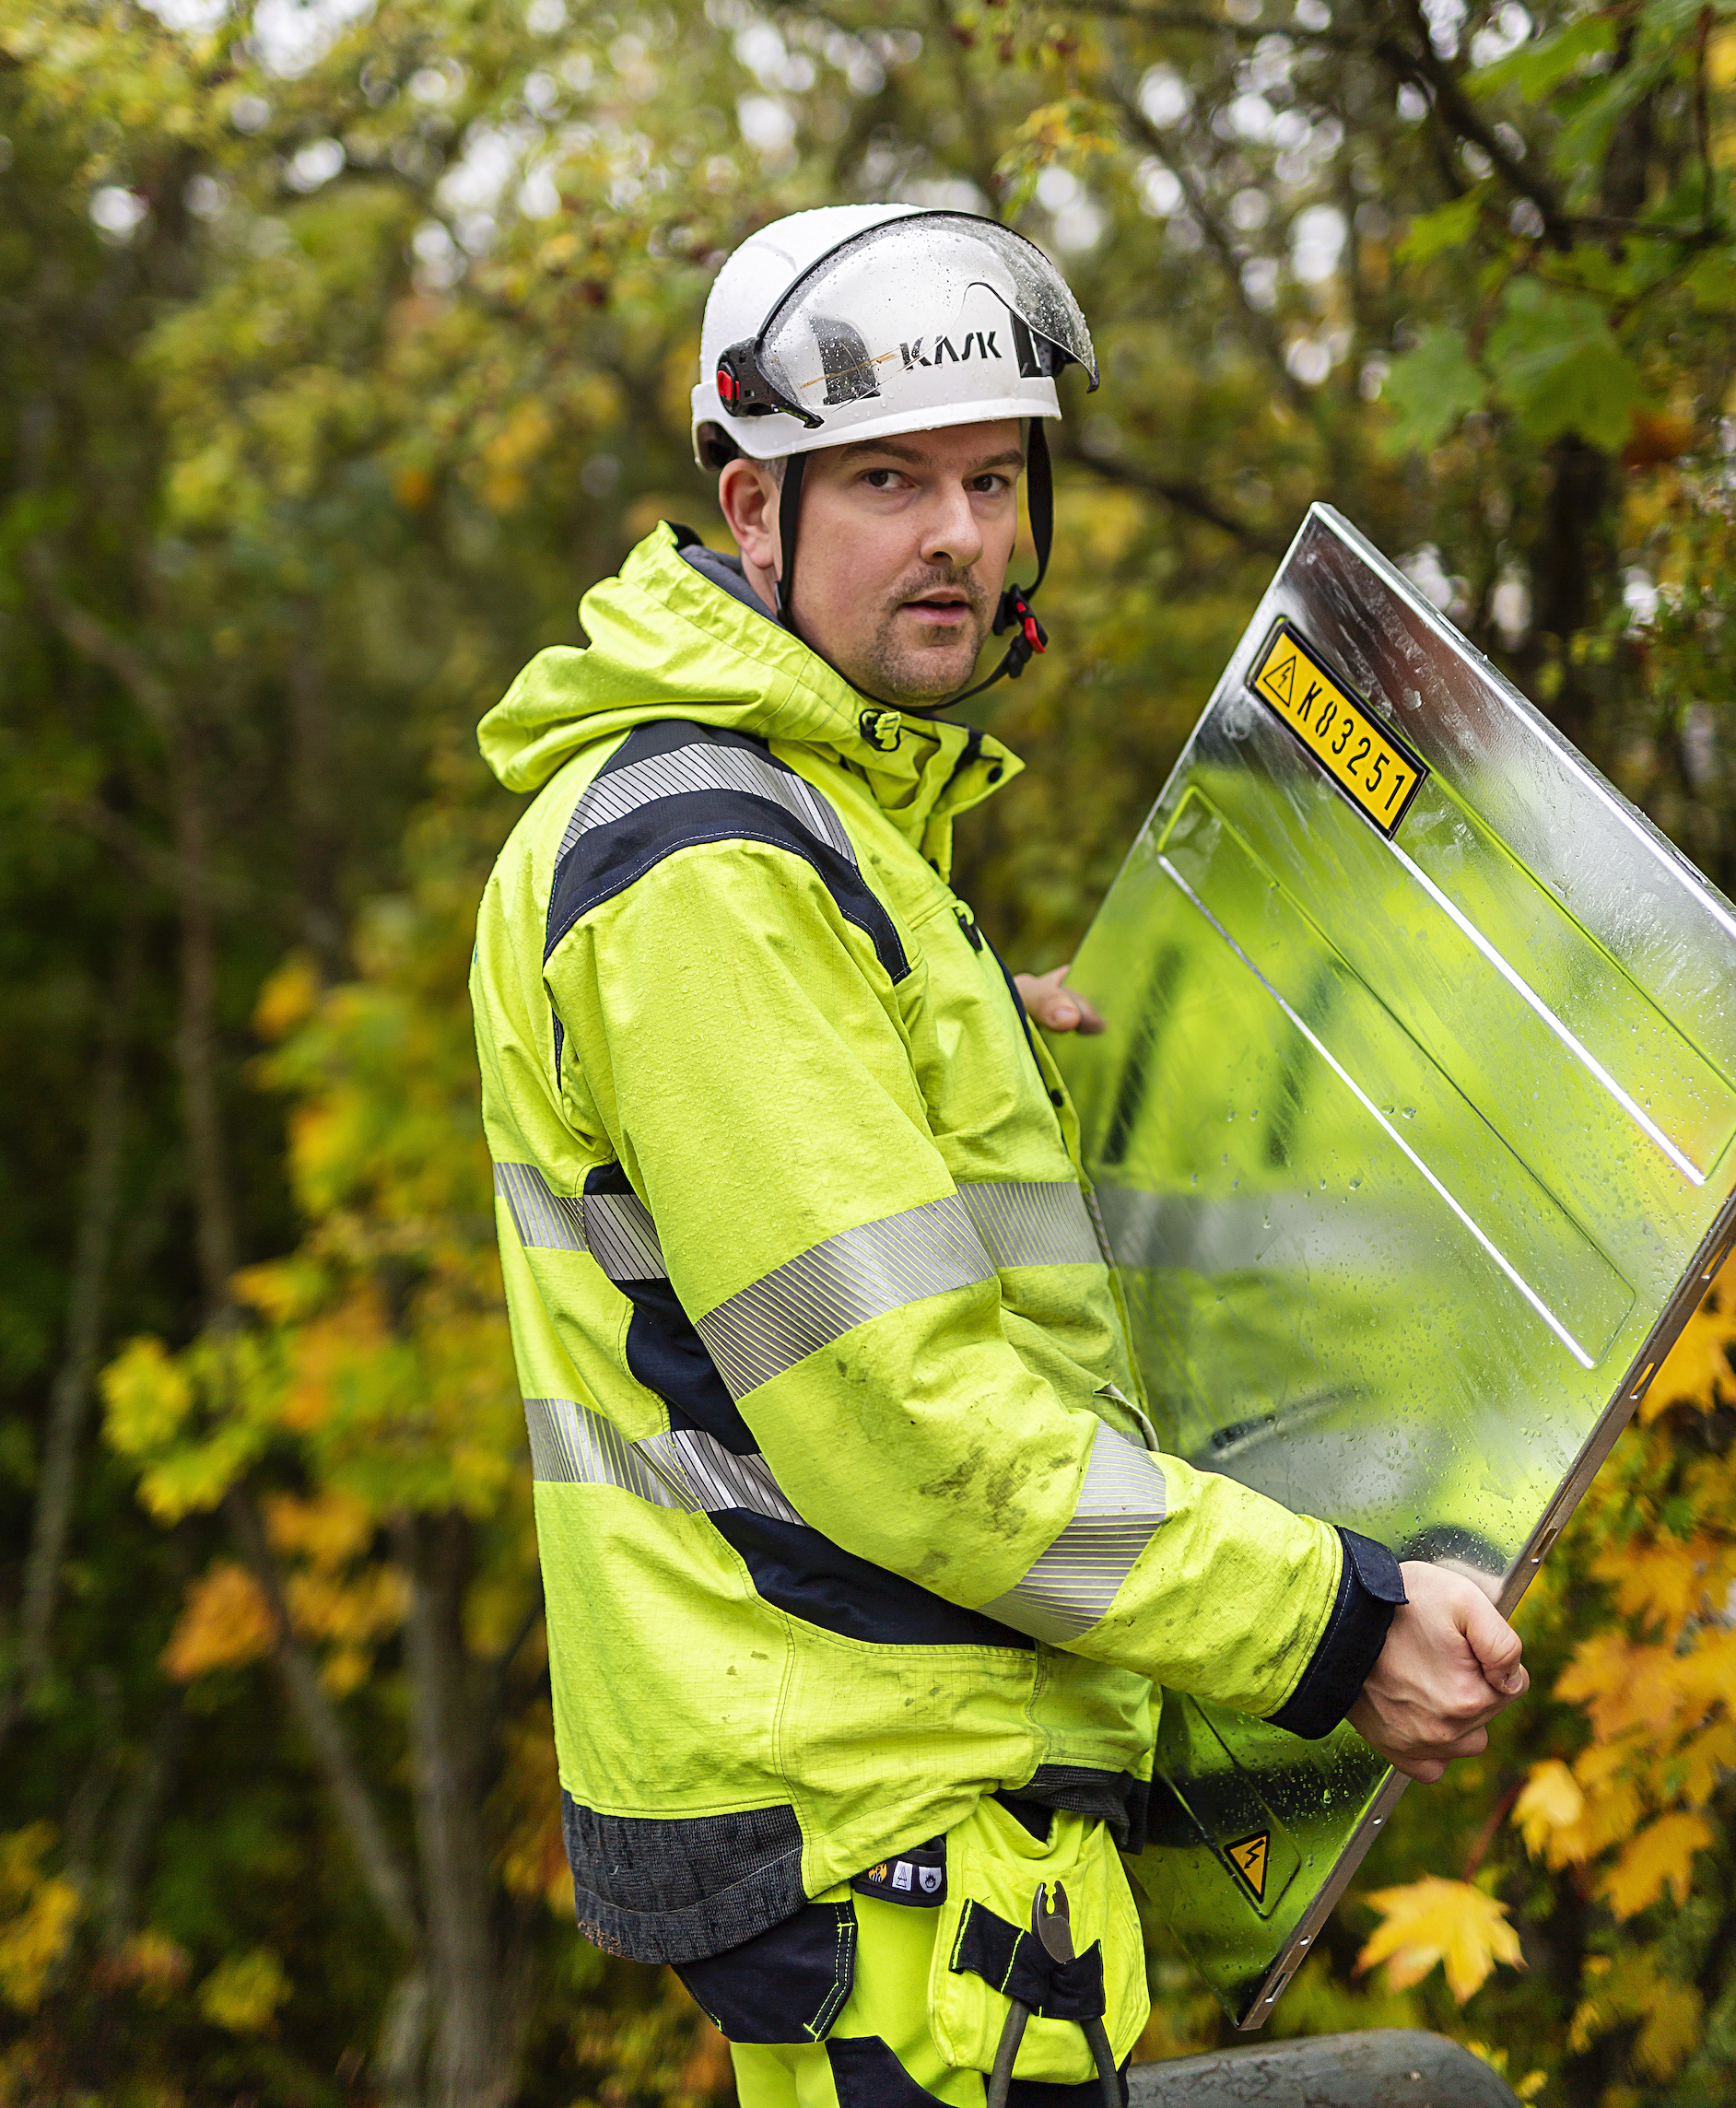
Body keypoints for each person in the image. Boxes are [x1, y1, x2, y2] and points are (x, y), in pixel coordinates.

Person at [470, 205, 1527, 2108]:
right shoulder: (710, 855)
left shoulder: (827, 835)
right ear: (747, 511)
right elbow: (905, 1415)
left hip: (924, 1795)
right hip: (871, 1815)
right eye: (882, 479)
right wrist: (1334, 1621)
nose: (956, 535)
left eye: (987, 478)